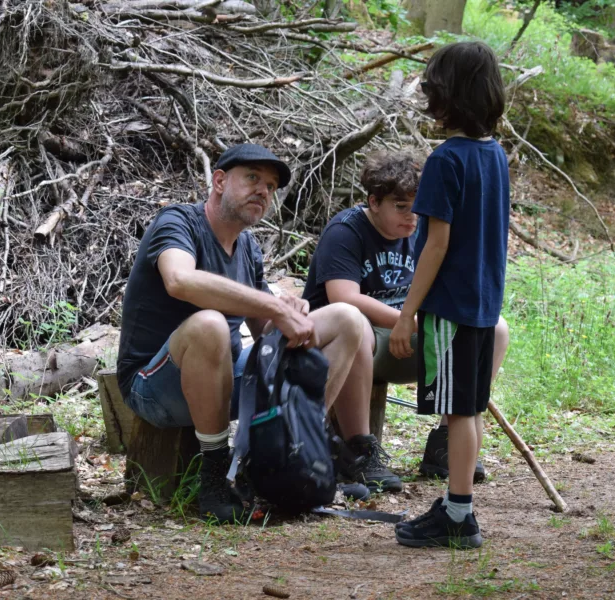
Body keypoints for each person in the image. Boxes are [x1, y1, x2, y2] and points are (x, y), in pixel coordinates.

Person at [116, 144, 401, 525]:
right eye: (252, 178)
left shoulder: (248, 246)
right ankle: (215, 475)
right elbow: (179, 280)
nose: (263, 191)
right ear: (219, 181)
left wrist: (289, 315)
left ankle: (290, 458)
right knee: (210, 323)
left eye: (270, 186)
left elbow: (263, 330)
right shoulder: (178, 222)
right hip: (153, 386)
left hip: (225, 378)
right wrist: (271, 305)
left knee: (347, 319)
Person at [302, 151, 509, 484]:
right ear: (374, 201)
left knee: (495, 329)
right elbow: (344, 297)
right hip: (351, 346)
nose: (411, 216)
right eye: (400, 206)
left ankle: (445, 443)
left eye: (417, 205)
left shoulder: (423, 234)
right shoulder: (346, 232)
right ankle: (359, 450)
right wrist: (409, 322)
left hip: (404, 338)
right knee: (356, 324)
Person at [390, 41, 510, 549]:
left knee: (460, 412)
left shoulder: (445, 160)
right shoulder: (495, 155)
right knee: (469, 408)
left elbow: (435, 244)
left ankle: (459, 517)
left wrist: (406, 315)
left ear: (447, 95)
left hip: (452, 308)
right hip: (483, 303)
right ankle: (456, 505)